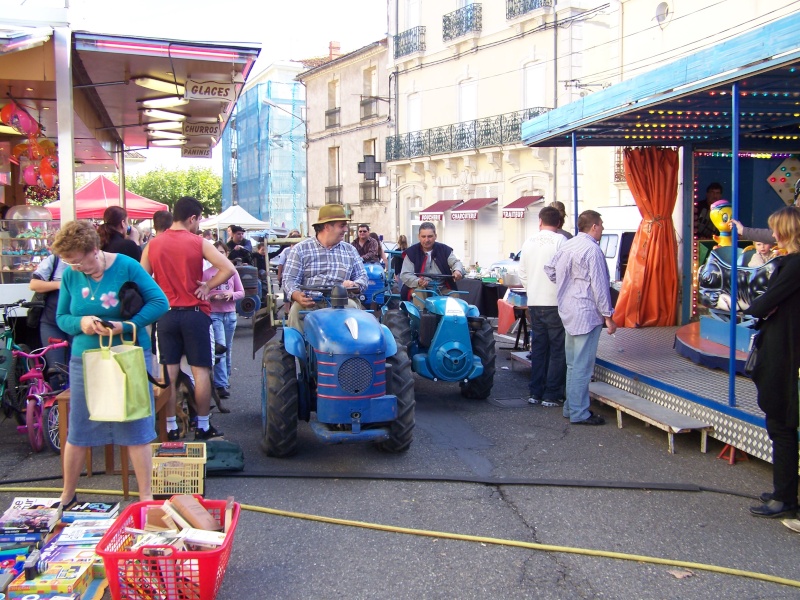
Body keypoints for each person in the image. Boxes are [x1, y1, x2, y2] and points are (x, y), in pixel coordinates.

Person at [52, 220, 169, 506]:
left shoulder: (127, 265)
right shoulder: (70, 275)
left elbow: (160, 302)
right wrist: (81, 322)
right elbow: (62, 318)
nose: (76, 269)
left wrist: (125, 326)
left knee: (136, 427)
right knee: (78, 428)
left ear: (94, 249)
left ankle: (145, 497)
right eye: (70, 264)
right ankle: (67, 494)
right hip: (85, 358)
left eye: (80, 262)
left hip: (127, 355)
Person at [141, 196, 236, 441]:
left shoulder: (153, 244)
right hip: (195, 315)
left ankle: (171, 426)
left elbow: (142, 279)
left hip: (167, 316)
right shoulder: (199, 242)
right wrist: (207, 286)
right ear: (192, 218)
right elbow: (229, 269)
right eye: (199, 220)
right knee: (201, 372)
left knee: (169, 374)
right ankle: (203, 426)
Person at [743, 206, 800, 519]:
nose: (773, 236)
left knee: (781, 425)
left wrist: (762, 307)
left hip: (785, 354)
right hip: (785, 348)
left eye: (776, 230)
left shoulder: (792, 265)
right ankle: (784, 490)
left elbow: (760, 304)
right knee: (780, 425)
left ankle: (785, 497)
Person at [545, 210, 616, 425]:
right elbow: (600, 286)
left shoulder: (568, 244)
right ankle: (579, 412)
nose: (602, 229)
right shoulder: (592, 250)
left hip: (568, 309)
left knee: (573, 364)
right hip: (586, 312)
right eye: (601, 225)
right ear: (593, 226)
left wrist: (568, 284)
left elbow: (549, 269)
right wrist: (608, 316)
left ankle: (571, 407)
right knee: (583, 366)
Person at [282, 205, 368, 331]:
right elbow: (289, 280)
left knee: (353, 309)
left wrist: (355, 285)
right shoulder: (300, 249)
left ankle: (352, 349)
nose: (346, 229)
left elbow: (363, 277)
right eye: (342, 225)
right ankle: (299, 349)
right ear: (327, 226)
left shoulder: (350, 250)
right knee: (296, 311)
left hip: (342, 303)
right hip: (310, 301)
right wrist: (296, 295)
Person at [518, 206, 567, 407]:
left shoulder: (528, 241)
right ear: (558, 223)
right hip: (554, 302)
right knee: (557, 349)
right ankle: (552, 394)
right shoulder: (561, 241)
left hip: (535, 301)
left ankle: (535, 392)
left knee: (539, 347)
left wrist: (532, 289)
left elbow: (522, 272)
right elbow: (564, 271)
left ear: (540, 221)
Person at [203, 242, 244, 401]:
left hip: (230, 314)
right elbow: (201, 294)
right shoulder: (206, 274)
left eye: (222, 252)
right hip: (214, 314)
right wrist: (212, 296)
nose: (219, 255)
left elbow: (241, 292)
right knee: (219, 347)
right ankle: (221, 384)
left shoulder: (232, 272)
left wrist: (230, 295)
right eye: (216, 252)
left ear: (226, 254)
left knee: (228, 348)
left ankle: (225, 379)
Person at [399, 222, 465, 307]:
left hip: (441, 288)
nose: (426, 240)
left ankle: (452, 319)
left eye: (430, 236)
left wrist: (457, 271)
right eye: (423, 236)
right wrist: (418, 281)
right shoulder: (412, 252)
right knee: (419, 293)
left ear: (435, 236)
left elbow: (456, 262)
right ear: (419, 237)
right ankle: (422, 318)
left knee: (455, 296)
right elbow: (405, 274)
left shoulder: (444, 250)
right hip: (418, 287)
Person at [29, 252, 70, 369]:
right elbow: (33, 284)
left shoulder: (89, 262)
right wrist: (59, 284)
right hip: (51, 321)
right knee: (55, 368)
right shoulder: (55, 260)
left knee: (78, 367)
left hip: (77, 322)